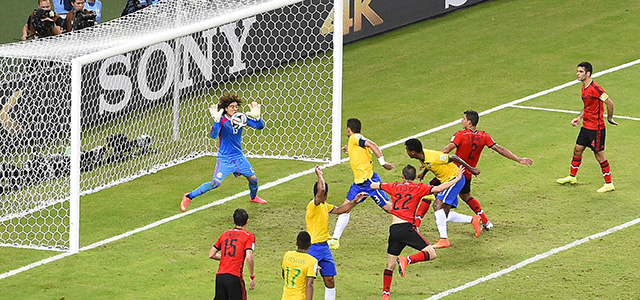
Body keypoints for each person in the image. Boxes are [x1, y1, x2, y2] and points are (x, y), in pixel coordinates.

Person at [371, 164, 464, 300]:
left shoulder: (394, 186)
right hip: (407, 229)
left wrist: (369, 189)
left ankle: (385, 294)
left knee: (389, 265)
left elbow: (375, 186)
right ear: (415, 177)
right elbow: (438, 188)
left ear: (402, 176)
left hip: (394, 230)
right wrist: (456, 179)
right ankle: (406, 260)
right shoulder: (420, 188)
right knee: (431, 254)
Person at [440, 110, 533, 230]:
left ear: (469, 122)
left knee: (433, 192)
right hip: (467, 174)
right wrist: (518, 159)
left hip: (453, 172)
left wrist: (431, 159)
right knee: (466, 196)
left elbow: (447, 149)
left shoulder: (460, 135)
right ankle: (486, 221)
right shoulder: (484, 136)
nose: (461, 120)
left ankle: (417, 222)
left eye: (463, 118)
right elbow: (499, 149)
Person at [181, 93, 267, 212]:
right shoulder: (221, 120)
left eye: (236, 106)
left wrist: (258, 118)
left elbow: (259, 127)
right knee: (215, 183)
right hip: (225, 159)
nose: (235, 109)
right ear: (225, 108)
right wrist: (216, 121)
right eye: (232, 106)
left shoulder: (241, 118)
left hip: (239, 157)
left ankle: (253, 197)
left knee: (253, 180)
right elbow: (213, 135)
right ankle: (188, 196)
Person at [328, 118, 394, 250]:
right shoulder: (357, 141)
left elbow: (372, 144)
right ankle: (335, 239)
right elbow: (362, 153)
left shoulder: (355, 138)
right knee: (345, 207)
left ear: (348, 130)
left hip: (369, 182)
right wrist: (349, 150)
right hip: (358, 183)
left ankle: (410, 219)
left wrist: (383, 163)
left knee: (388, 208)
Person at [404, 138, 481, 249]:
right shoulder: (422, 156)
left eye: (407, 150)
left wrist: (471, 169)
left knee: (437, 206)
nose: (406, 152)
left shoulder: (434, 157)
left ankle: (444, 239)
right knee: (443, 214)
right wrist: (423, 173)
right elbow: (429, 165)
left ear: (412, 152)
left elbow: (454, 157)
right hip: (447, 181)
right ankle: (473, 219)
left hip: (454, 179)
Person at [307, 165, 367, 300]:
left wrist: (354, 202)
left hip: (324, 248)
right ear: (323, 194)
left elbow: (340, 210)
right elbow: (321, 189)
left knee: (330, 280)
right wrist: (320, 175)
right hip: (313, 248)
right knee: (309, 281)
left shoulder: (324, 206)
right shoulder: (313, 205)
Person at [557, 61, 617, 193]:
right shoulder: (583, 88)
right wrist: (579, 118)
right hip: (586, 126)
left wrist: (609, 118)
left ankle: (609, 183)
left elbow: (610, 103)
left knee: (599, 154)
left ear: (588, 73)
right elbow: (588, 107)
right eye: (577, 71)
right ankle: (572, 177)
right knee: (577, 149)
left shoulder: (596, 88)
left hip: (596, 128)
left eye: (580, 72)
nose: (577, 74)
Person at [209, 208, 256, 300]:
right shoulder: (249, 236)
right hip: (234, 277)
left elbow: (211, 254)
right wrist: (252, 276)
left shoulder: (225, 234)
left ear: (233, 221)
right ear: (247, 221)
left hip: (220, 277)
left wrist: (226, 258)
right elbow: (249, 257)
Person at [282, 231, 318, 300]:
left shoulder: (287, 255)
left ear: (296, 243)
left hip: (285, 297)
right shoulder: (312, 261)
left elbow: (284, 274)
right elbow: (309, 285)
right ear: (310, 244)